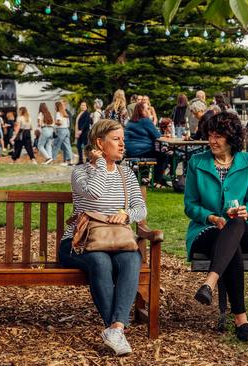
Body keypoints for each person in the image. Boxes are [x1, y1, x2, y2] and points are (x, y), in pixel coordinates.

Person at [58, 119, 146, 356]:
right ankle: (115, 327)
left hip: (116, 241)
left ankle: (115, 328)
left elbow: (141, 208)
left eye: (123, 140)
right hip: (79, 244)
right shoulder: (80, 172)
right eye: (116, 140)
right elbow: (94, 193)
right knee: (99, 261)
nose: (122, 145)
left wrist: (126, 215)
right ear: (99, 143)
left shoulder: (126, 174)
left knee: (132, 259)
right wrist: (98, 164)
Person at [185, 111, 248, 342]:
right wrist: (211, 218)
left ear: (231, 138)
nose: (212, 140)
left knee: (236, 224)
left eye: (218, 136)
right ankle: (241, 320)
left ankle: (209, 282)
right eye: (210, 135)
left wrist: (247, 211)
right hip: (207, 230)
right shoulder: (196, 162)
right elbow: (190, 205)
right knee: (231, 248)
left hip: (244, 228)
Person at [125, 102, 167, 188]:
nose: (149, 110)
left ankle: (147, 178)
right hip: (142, 151)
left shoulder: (130, 121)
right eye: (147, 109)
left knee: (158, 154)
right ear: (142, 110)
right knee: (163, 155)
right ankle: (156, 181)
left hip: (130, 152)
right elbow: (157, 135)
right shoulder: (145, 120)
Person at [53, 101, 74, 166]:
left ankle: (52, 158)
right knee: (68, 146)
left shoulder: (58, 113)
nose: (54, 107)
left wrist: (54, 122)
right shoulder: (65, 114)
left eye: (55, 106)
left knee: (56, 145)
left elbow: (59, 123)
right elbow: (68, 124)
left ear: (57, 107)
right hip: (66, 130)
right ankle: (70, 160)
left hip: (61, 130)